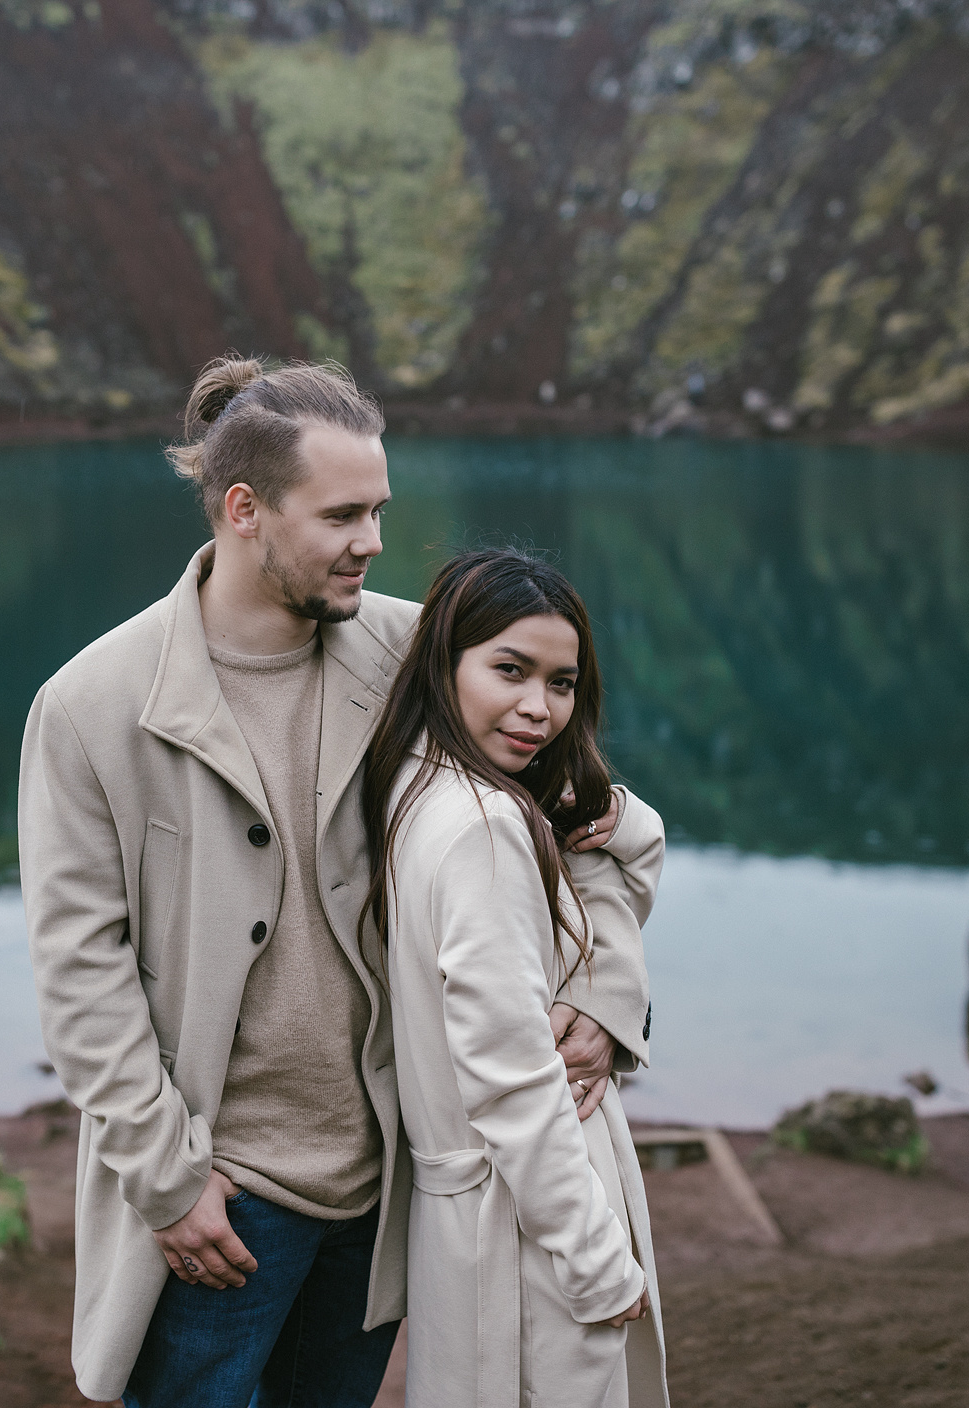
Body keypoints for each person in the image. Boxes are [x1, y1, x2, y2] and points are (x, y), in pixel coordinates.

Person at [18, 358, 652, 1406]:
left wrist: (602, 990)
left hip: (386, 1190)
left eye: (380, 511)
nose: (374, 541)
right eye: (345, 514)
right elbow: (80, 977)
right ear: (245, 510)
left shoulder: (416, 653)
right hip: (221, 1205)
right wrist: (170, 1182)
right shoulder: (90, 705)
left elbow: (589, 827)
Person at [362, 547, 670, 1408]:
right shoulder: (489, 829)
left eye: (562, 682)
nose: (539, 708)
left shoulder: (417, 778)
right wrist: (596, 1262)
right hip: (525, 1232)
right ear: (445, 660)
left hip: (471, 1222)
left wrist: (612, 810)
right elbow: (511, 1082)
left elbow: (625, 860)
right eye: (510, 670)